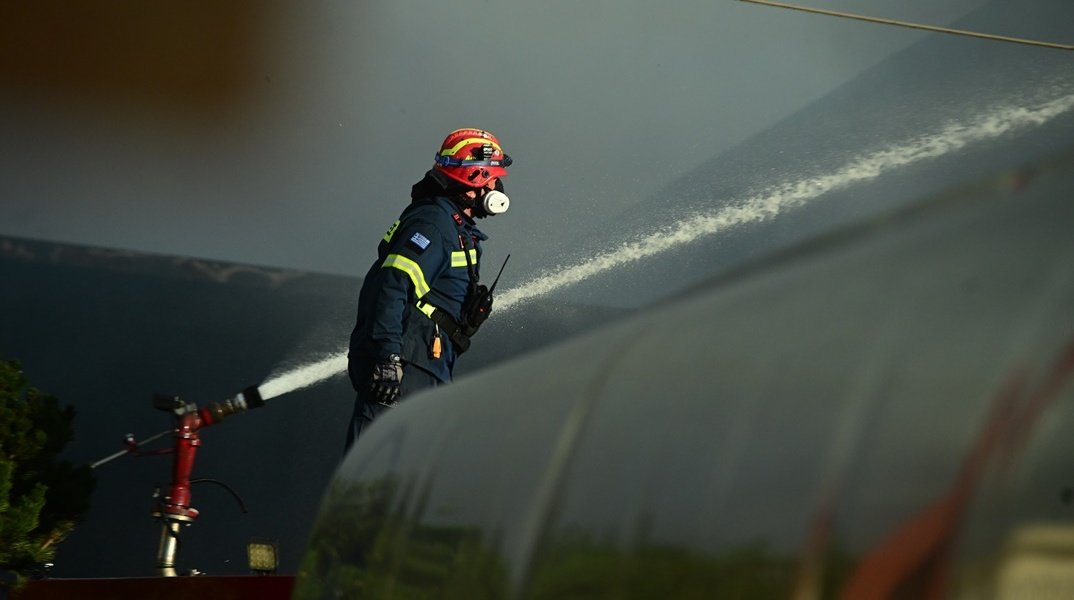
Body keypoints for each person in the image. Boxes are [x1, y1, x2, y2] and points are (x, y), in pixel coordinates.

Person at [345, 128, 512, 450]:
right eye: (494, 179)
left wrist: (461, 320)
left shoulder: (454, 227)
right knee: (377, 466)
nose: (497, 187)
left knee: (407, 471)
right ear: (477, 178)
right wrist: (388, 357)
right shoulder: (434, 224)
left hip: (427, 364)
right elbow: (392, 286)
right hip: (406, 366)